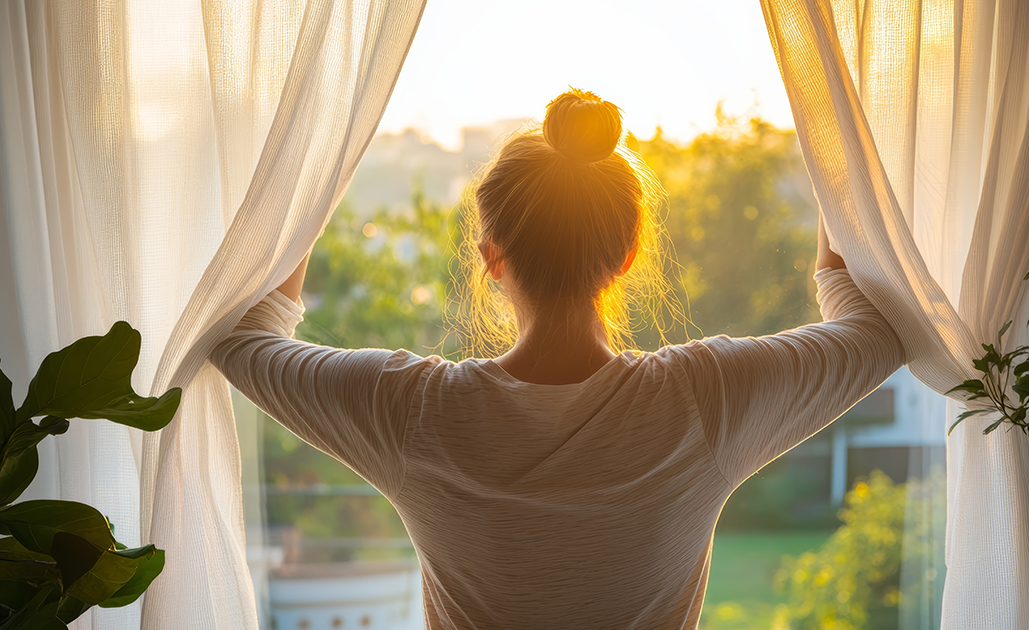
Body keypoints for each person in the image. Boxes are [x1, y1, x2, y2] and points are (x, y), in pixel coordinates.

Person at [210, 88, 906, 629]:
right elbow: (874, 332)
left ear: (491, 261)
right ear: (628, 253)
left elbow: (246, 338)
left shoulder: (411, 413)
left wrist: (312, 155)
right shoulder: (707, 401)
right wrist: (835, 128)